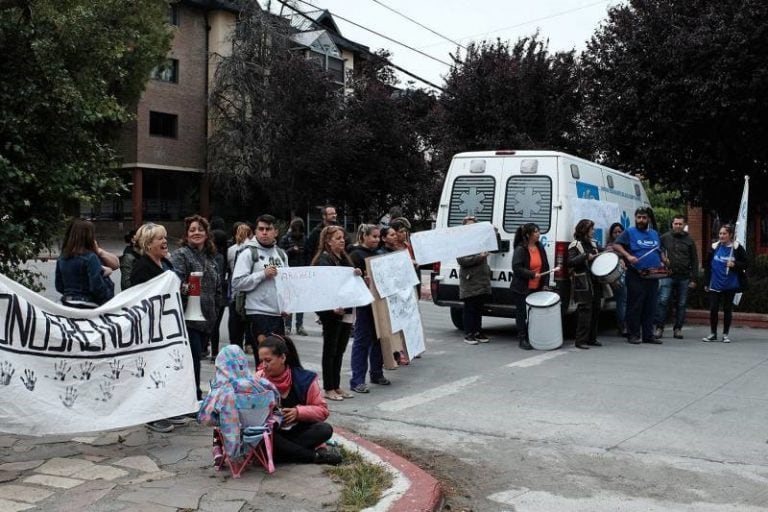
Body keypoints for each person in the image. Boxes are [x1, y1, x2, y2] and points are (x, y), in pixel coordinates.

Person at [129, 222, 183, 434]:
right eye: (160, 238)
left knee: (166, 367)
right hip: (150, 328)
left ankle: (167, 408)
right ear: (148, 244)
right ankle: (152, 414)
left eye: (165, 237)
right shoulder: (142, 268)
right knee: (152, 370)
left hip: (167, 327)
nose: (164, 242)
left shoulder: (165, 264)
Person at [257, 335, 342, 465]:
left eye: (268, 360)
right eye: (261, 361)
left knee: (324, 429)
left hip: (299, 432)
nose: (264, 366)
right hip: (275, 434)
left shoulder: (304, 379)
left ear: (283, 358)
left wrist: (298, 412)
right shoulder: (257, 380)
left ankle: (283, 454)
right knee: (262, 437)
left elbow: (323, 410)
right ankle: (313, 456)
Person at [170, 214, 224, 400]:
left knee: (196, 359)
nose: (196, 232)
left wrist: (215, 311)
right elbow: (175, 282)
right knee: (192, 361)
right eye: (192, 230)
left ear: (207, 233)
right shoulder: (181, 255)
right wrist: (189, 287)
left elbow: (218, 289)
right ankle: (192, 397)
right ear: (186, 234)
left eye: (200, 229)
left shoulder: (212, 258)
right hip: (188, 318)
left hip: (207, 319)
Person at [311, 226, 360, 401]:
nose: (342, 240)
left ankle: (337, 385)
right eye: (337, 238)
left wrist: (357, 275)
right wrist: (331, 306)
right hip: (331, 312)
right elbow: (323, 287)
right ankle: (329, 388)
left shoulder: (343, 258)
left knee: (340, 349)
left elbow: (347, 281)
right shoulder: (323, 260)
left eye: (342, 238)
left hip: (345, 309)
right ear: (328, 241)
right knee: (330, 349)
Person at [231, 214, 289, 359]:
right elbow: (237, 282)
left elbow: (287, 284)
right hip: (257, 313)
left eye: (268, 229)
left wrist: (287, 306)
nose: (264, 232)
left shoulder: (282, 255)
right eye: (261, 229)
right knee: (263, 360)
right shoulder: (248, 253)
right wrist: (262, 274)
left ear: (275, 232)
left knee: (278, 360)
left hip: (277, 315)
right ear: (255, 231)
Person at [610, 207, 664, 345]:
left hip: (652, 275)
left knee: (650, 306)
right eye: (638, 217)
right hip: (636, 274)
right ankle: (633, 334)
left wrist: (663, 259)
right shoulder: (629, 232)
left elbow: (659, 250)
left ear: (648, 219)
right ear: (635, 218)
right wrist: (628, 255)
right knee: (635, 306)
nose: (641, 220)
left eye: (644, 217)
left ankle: (648, 335)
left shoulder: (654, 234)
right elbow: (616, 245)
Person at [348, 224, 390, 393]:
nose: (377, 240)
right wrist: (362, 280)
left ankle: (376, 373)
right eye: (373, 236)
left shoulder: (378, 254)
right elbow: (349, 279)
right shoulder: (356, 255)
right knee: (362, 341)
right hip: (364, 304)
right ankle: (357, 380)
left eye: (378, 237)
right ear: (364, 236)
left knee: (378, 338)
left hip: (378, 302)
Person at [55, 218, 119, 309]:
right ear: (89, 236)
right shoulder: (90, 258)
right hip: (88, 305)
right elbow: (97, 287)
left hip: (67, 303)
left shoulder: (62, 258)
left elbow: (59, 286)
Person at [653, 215, 699, 339]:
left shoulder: (690, 240)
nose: (678, 226)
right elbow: (657, 252)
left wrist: (694, 279)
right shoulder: (664, 238)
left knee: (681, 304)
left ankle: (678, 328)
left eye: (680, 224)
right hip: (667, 275)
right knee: (663, 301)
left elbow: (695, 260)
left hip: (684, 277)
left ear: (684, 225)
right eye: (676, 224)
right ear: (672, 224)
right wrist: (662, 261)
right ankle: (659, 328)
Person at [702, 224, 748, 343]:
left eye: (724, 234)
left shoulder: (737, 248)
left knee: (727, 309)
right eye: (720, 234)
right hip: (715, 284)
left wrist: (734, 264)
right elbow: (707, 266)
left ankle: (725, 334)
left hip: (730, 284)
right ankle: (713, 333)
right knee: (713, 309)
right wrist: (706, 282)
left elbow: (746, 263)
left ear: (730, 235)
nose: (721, 236)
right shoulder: (714, 247)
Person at [510, 223, 550, 350]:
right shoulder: (521, 249)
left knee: (534, 314)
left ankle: (534, 337)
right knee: (522, 314)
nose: (539, 234)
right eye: (536, 231)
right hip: (522, 287)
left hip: (537, 286)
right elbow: (517, 268)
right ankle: (522, 338)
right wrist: (532, 274)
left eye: (539, 231)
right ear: (528, 235)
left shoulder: (539, 246)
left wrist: (545, 284)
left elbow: (546, 267)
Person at [567, 219, 603, 349]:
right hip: (582, 280)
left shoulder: (593, 243)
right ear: (585, 230)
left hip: (595, 279)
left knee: (596, 309)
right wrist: (585, 257)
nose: (593, 231)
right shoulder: (575, 245)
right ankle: (580, 340)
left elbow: (602, 252)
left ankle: (592, 338)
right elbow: (570, 262)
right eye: (591, 229)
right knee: (585, 310)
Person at [456, 216, 492, 345]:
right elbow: (462, 260)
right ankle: (469, 333)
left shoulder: (481, 240)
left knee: (479, 308)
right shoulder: (462, 242)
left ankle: (478, 331)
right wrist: (479, 257)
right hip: (469, 279)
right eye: (469, 225)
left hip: (481, 279)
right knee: (470, 308)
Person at [279, 218, 307, 336]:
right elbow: (280, 254)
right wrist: (290, 250)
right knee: (289, 300)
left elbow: (308, 253)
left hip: (301, 272)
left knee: (300, 301)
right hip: (288, 272)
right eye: (295, 230)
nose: (296, 233)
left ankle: (299, 325)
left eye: (298, 231)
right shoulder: (286, 239)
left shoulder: (305, 239)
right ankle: (288, 325)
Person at [227, 222, 253, 349]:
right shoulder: (253, 250)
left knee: (235, 322)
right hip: (249, 290)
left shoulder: (231, 250)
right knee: (249, 320)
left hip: (235, 290)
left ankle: (235, 347)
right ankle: (248, 342)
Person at [208, 216, 229, 362]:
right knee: (215, 323)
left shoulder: (216, 257)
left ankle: (213, 351)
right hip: (221, 295)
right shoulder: (226, 255)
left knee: (213, 324)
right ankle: (213, 351)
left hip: (214, 294)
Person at [606, 223, 628, 336]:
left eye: (620, 232)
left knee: (625, 301)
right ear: (611, 234)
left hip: (628, 278)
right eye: (615, 232)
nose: (618, 234)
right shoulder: (610, 247)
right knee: (622, 302)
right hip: (617, 279)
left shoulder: (627, 245)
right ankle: (622, 326)